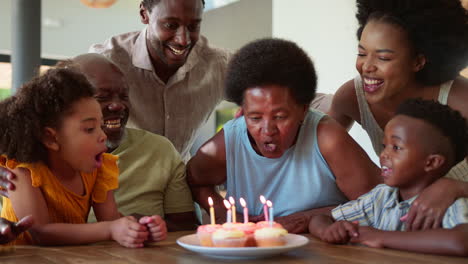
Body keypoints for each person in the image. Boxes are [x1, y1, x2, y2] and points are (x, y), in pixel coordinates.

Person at [88, 0, 332, 162]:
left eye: (193, 26)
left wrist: (347, 106)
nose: (183, 40)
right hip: (117, 184)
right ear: (144, 14)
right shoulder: (107, 60)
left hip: (178, 189)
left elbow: (291, 95)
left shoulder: (217, 63)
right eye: (170, 25)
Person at [187, 38, 382, 234]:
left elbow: (381, 203)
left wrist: (309, 218)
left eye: (280, 117)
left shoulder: (327, 139)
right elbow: (195, 180)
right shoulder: (229, 142)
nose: (267, 130)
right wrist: (224, 213)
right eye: (254, 117)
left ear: (304, 110)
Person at [328, 0, 468, 230]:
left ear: (418, 61)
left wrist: (454, 187)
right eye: (362, 53)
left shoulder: (461, 101)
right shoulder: (352, 96)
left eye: (383, 58)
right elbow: (315, 149)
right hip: (403, 227)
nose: (366, 67)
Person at [0, 67, 166, 247]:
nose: (103, 135)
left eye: (101, 126)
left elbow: (110, 219)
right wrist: (110, 229)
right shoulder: (23, 174)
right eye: (89, 129)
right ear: (51, 138)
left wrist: (138, 230)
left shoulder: (99, 170)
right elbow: (41, 233)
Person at [309, 99, 468, 256]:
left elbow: (462, 241)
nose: (384, 154)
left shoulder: (449, 204)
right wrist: (327, 230)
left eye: (396, 147)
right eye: (385, 146)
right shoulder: (381, 197)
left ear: (432, 162)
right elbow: (321, 218)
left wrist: (381, 237)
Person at [70, 53, 197, 231]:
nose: (118, 106)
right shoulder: (40, 160)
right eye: (102, 97)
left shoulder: (161, 150)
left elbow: (187, 226)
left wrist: (148, 225)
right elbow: (39, 232)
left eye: (124, 97)